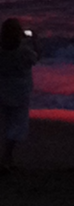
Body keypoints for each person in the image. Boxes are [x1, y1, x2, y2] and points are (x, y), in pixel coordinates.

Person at [0, 18, 39, 171]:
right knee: (17, 125)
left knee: (6, 123)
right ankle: (6, 157)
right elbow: (37, 58)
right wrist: (35, 40)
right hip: (20, 90)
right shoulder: (23, 51)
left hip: (2, 88)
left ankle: (7, 158)